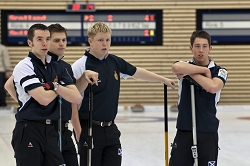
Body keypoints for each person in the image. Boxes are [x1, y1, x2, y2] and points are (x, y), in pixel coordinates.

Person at [71, 22, 175, 166]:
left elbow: (137, 72)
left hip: (111, 129)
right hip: (89, 129)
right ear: (90, 41)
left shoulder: (115, 62)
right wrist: (78, 132)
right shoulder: (80, 66)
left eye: (108, 40)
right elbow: (71, 101)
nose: (105, 44)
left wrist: (162, 79)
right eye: (100, 40)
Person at [5, 23, 99, 166]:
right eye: (55, 40)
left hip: (56, 129)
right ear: (30, 42)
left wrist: (54, 86)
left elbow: (75, 97)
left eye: (48, 39)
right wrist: (27, 102)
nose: (45, 43)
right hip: (32, 127)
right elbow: (40, 97)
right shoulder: (26, 65)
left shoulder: (60, 67)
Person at [169, 30, 228, 166]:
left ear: (210, 48)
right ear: (191, 48)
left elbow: (213, 87)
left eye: (204, 46)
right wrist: (204, 71)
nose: (201, 50)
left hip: (207, 129)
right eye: (197, 46)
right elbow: (177, 66)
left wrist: (189, 74)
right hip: (185, 128)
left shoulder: (220, 71)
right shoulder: (183, 65)